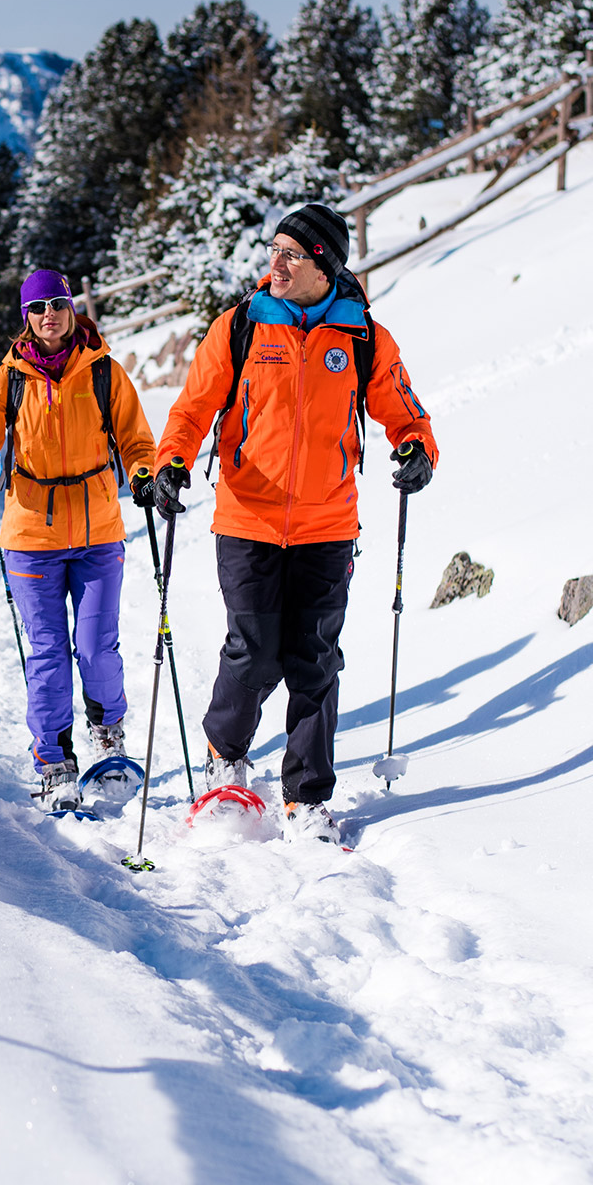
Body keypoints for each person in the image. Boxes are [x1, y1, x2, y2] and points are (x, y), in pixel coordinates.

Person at [147, 202, 438, 841]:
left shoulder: (362, 336)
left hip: (329, 524)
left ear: (323, 265)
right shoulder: (241, 327)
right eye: (273, 250)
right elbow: (193, 410)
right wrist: (171, 463)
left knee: (315, 661)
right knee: (251, 653)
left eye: (291, 254)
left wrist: (417, 449)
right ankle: (227, 760)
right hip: (247, 519)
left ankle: (307, 797)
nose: (274, 264)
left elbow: (405, 409)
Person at [0, 270, 156, 811]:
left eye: (58, 304)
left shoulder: (105, 373)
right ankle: (52, 758)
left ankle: (108, 731)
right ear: (26, 317)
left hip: (98, 533)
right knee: (47, 653)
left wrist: (143, 474)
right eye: (38, 306)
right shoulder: (6, 381)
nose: (49, 314)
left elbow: (138, 441)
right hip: (30, 536)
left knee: (95, 647)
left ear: (72, 310)